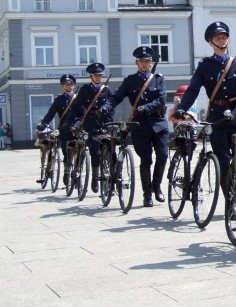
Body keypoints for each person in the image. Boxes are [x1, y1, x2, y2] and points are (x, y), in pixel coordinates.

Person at [173, 21, 236, 201]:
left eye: (224, 37)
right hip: (217, 117)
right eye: (218, 38)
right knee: (223, 161)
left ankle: (234, 187)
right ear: (210, 42)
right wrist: (182, 108)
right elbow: (193, 90)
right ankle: (231, 200)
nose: (222, 40)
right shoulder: (205, 66)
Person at [100, 47, 169, 208]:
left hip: (158, 123)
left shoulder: (158, 79)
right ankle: (147, 194)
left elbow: (161, 99)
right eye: (141, 61)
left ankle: (156, 185)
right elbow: (117, 97)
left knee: (163, 154)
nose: (145, 64)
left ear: (151, 62)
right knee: (146, 160)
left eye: (147, 61)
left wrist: (147, 107)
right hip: (139, 125)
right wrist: (106, 107)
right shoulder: (130, 81)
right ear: (136, 62)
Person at [68, 63, 114, 193]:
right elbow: (76, 107)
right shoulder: (85, 90)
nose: (98, 77)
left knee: (110, 148)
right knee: (95, 151)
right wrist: (71, 121)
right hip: (90, 122)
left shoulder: (107, 90)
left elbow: (111, 108)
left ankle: (111, 173)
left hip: (104, 122)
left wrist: (110, 122)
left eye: (100, 75)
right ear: (91, 76)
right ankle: (95, 177)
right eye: (95, 75)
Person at [37, 75, 77, 186]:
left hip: (77, 129)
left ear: (73, 85)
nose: (68, 86)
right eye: (65, 84)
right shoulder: (59, 100)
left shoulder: (78, 99)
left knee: (81, 151)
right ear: (63, 86)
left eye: (70, 84)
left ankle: (77, 172)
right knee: (66, 153)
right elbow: (51, 114)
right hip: (64, 130)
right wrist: (44, 124)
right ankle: (67, 172)